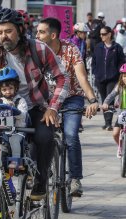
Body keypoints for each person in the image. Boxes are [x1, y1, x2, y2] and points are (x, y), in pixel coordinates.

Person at [0, 8, 70, 201]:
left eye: (8, 31)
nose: (4, 36)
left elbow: (63, 77)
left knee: (44, 137)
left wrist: (53, 107)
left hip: (36, 107)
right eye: (0, 32)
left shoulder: (39, 48)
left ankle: (40, 180)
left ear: (20, 30)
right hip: (5, 110)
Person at [36, 17, 99, 197]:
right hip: (47, 100)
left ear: (53, 35)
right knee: (38, 134)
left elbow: (81, 77)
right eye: (37, 32)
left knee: (70, 135)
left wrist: (93, 100)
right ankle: (39, 171)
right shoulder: (36, 51)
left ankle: (75, 178)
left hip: (72, 98)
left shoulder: (71, 50)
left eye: (41, 32)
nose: (37, 36)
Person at [0, 67, 28, 169]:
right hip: (2, 130)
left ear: (16, 88)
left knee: (14, 140)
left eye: (10, 88)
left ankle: (16, 160)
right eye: (4, 90)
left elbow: (23, 114)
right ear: (0, 90)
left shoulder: (20, 101)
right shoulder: (0, 101)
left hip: (17, 130)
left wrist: (13, 110)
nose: (8, 91)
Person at [92, 26, 125, 130]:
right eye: (100, 34)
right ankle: (106, 121)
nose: (101, 36)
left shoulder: (117, 47)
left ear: (110, 34)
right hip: (100, 78)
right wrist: (95, 72)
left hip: (113, 78)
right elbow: (94, 62)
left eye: (104, 34)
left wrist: (119, 73)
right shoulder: (98, 47)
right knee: (103, 99)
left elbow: (122, 62)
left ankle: (109, 123)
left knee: (109, 98)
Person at [102, 64, 126, 157]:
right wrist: (105, 103)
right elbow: (111, 95)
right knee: (115, 134)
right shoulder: (119, 86)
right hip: (122, 114)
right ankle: (120, 147)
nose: (125, 79)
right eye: (124, 76)